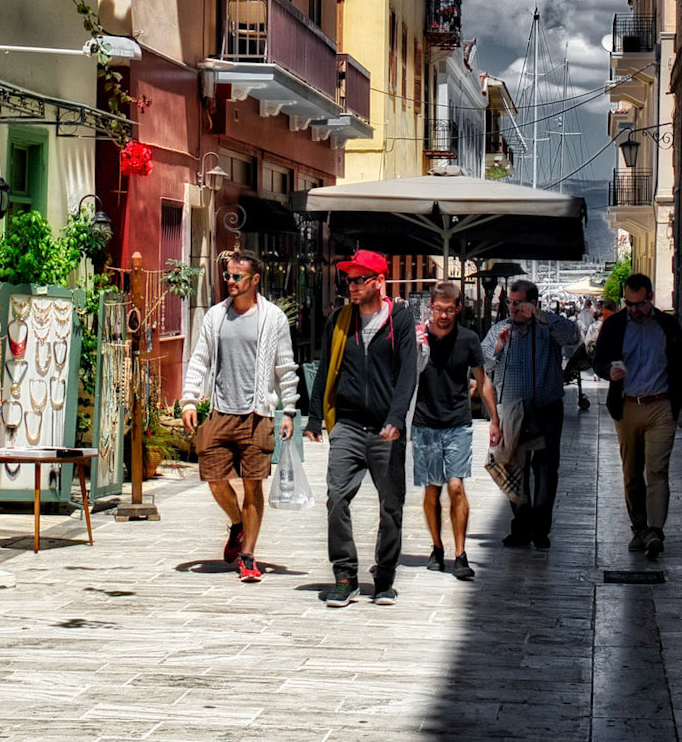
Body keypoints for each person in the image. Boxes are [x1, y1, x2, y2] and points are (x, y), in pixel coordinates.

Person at [307, 249, 418, 608]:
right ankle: (345, 575)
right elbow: (326, 368)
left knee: (391, 505)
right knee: (336, 497)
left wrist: (396, 419)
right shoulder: (340, 320)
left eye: (359, 280)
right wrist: (314, 417)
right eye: (348, 280)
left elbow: (407, 374)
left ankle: (384, 576)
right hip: (349, 425)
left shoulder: (399, 319)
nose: (351, 286)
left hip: (386, 428)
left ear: (379, 282)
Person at [181, 250, 297, 583]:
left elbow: (285, 366)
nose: (230, 281)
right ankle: (238, 525)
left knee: (253, 486)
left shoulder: (272, 318)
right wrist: (190, 400)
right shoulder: (215, 316)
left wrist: (288, 409)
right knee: (214, 478)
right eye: (228, 276)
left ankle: (248, 557)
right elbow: (199, 360)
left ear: (255, 279)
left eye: (237, 276)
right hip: (220, 411)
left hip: (257, 413)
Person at [592, 273, 682, 560]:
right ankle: (638, 526)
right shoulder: (614, 325)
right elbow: (599, 359)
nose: (634, 310)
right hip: (627, 406)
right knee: (631, 473)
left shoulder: (667, 325)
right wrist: (608, 372)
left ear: (650, 298)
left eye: (639, 305)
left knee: (657, 470)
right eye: (629, 304)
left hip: (661, 406)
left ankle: (655, 530)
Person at [482, 278, 576, 549]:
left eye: (519, 303)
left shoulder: (547, 328)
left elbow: (572, 336)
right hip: (511, 409)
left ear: (533, 303)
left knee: (545, 469)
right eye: (510, 302)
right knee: (513, 465)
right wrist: (498, 348)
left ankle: (540, 528)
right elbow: (481, 364)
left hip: (546, 408)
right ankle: (520, 525)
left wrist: (542, 317)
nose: (513, 308)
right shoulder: (499, 329)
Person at [413, 280, 497, 581]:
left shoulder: (469, 340)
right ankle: (437, 547)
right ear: (431, 309)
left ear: (458, 309)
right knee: (432, 488)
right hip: (425, 422)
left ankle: (460, 554)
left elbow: (482, 380)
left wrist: (494, 421)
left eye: (449, 310)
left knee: (456, 486)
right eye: (438, 309)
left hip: (458, 422)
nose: (443, 315)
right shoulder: (419, 338)